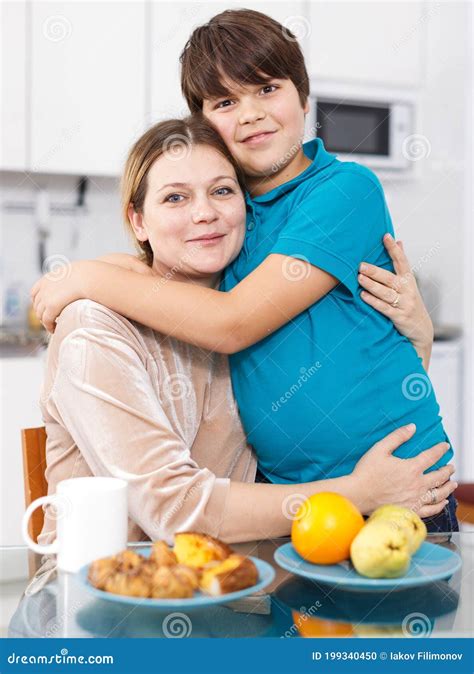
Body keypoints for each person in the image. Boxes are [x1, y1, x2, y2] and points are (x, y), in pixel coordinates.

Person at [33, 13, 458, 534]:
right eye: (226, 102)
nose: (252, 114)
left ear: (304, 99)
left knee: (405, 616)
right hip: (288, 504)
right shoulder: (234, 220)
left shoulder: (344, 190)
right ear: (206, 123)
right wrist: (101, 271)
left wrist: (85, 277)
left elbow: (233, 322)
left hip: (396, 489)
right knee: (298, 617)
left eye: (267, 88)